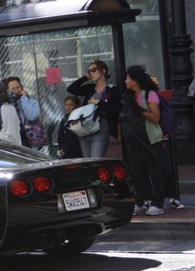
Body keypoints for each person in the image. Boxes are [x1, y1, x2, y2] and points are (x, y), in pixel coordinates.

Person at [120, 65, 165, 216]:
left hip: (150, 138)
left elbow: (155, 117)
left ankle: (157, 203)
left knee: (154, 171)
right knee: (136, 172)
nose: (126, 81)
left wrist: (139, 110)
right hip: (134, 140)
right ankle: (140, 201)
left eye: (128, 78)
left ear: (135, 81)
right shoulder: (128, 96)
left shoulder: (149, 95)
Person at [67, 60, 121, 158]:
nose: (91, 73)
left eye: (94, 70)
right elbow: (71, 89)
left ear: (103, 71)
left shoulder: (111, 89)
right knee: (87, 162)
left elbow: (115, 111)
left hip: (101, 130)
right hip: (85, 129)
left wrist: (99, 103)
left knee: (96, 160)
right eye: (89, 71)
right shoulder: (90, 88)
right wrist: (85, 77)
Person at [3, 76, 45, 149]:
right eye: (13, 89)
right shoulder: (7, 105)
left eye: (18, 87)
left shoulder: (31, 102)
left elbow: (30, 116)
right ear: (7, 90)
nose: (16, 90)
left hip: (30, 139)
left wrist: (24, 98)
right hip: (14, 139)